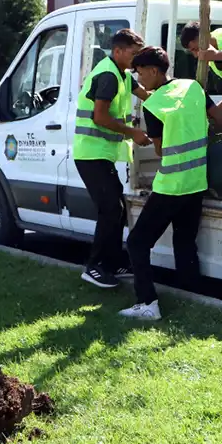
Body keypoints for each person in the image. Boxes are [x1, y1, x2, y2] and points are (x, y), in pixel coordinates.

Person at [120, 45, 222, 321]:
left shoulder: (154, 105)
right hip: (196, 183)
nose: (139, 80)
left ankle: (147, 303)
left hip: (171, 185)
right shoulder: (192, 87)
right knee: (184, 242)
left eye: (140, 73)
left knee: (137, 243)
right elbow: (219, 119)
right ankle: (191, 295)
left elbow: (160, 151)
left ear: (154, 71)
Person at [74, 28, 152, 289]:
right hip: (90, 154)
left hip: (101, 155)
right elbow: (100, 117)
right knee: (111, 210)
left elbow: (148, 96)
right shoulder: (108, 75)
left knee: (117, 209)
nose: (137, 59)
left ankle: (114, 262)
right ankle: (94, 267)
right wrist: (134, 133)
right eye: (134, 53)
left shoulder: (122, 75)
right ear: (118, 51)